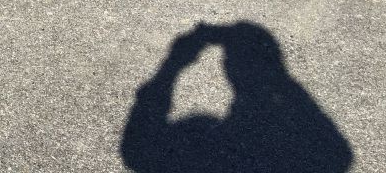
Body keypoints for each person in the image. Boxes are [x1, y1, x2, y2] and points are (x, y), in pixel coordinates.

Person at [121, 22, 353, 173]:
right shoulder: (334, 158)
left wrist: (173, 64)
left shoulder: (139, 159)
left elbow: (145, 118)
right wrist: (173, 65)